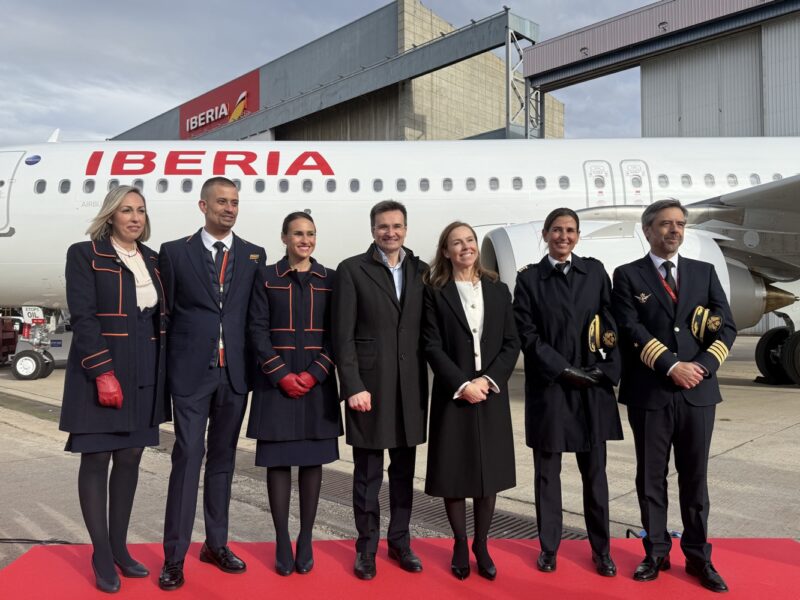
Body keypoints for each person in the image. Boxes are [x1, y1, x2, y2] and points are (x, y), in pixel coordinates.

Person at [612, 199, 736, 593]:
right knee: (651, 478)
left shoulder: (704, 272)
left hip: (698, 392)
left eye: (679, 224)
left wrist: (700, 367)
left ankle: (699, 556)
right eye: (665, 224)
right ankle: (656, 552)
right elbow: (630, 328)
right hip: (651, 392)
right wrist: (670, 365)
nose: (674, 230)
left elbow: (726, 327)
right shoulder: (627, 276)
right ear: (647, 230)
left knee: (695, 480)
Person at [158, 176, 266, 591]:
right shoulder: (174, 253)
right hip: (189, 374)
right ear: (202, 206)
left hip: (234, 376)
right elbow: (164, 316)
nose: (229, 208)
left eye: (235, 202)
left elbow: (255, 319)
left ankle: (216, 545)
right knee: (187, 457)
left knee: (223, 461)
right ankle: (174, 557)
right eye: (221, 201)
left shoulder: (254, 255)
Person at [59, 185, 170, 593]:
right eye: (126, 210)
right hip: (103, 369)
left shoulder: (155, 261)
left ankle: (120, 548)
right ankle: (101, 554)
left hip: (145, 369)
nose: (135, 217)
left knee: (130, 457)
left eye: (140, 210)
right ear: (111, 215)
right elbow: (84, 318)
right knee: (96, 458)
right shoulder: (85, 254)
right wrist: (102, 371)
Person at [513, 208, 623, 577]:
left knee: (596, 477)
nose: (564, 237)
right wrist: (563, 369)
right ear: (544, 234)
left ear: (578, 235)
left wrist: (605, 369)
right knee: (548, 476)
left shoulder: (594, 272)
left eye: (570, 230)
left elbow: (611, 323)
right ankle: (548, 548)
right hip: (552, 389)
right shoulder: (529, 280)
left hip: (591, 387)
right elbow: (527, 335)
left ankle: (602, 551)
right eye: (557, 230)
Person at [332, 200, 429, 580]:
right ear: (372, 229)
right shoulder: (352, 270)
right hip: (368, 390)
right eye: (383, 226)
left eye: (397, 226)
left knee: (404, 473)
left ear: (406, 228)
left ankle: (401, 542)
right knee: (368, 474)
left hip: (410, 390)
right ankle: (366, 547)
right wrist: (352, 385)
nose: (390, 232)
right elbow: (343, 336)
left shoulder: (422, 271)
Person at [422, 222, 519, 581]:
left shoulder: (498, 289)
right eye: (456, 243)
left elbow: (512, 341)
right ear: (445, 251)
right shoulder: (435, 291)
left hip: (491, 392)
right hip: (455, 393)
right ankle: (460, 543)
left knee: (487, 472)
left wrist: (489, 380)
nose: (465, 247)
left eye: (470, 241)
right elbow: (431, 344)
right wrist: (463, 384)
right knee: (454, 470)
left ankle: (481, 543)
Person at [246, 211, 342, 576]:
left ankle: (305, 538)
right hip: (276, 386)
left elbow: (337, 333)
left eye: (311, 234)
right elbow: (256, 330)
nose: (305, 240)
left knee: (312, 463)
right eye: (298, 234)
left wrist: (316, 373)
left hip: (316, 385)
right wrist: (281, 374)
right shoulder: (266, 278)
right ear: (284, 238)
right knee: (279, 463)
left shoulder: (330, 280)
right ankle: (282, 539)